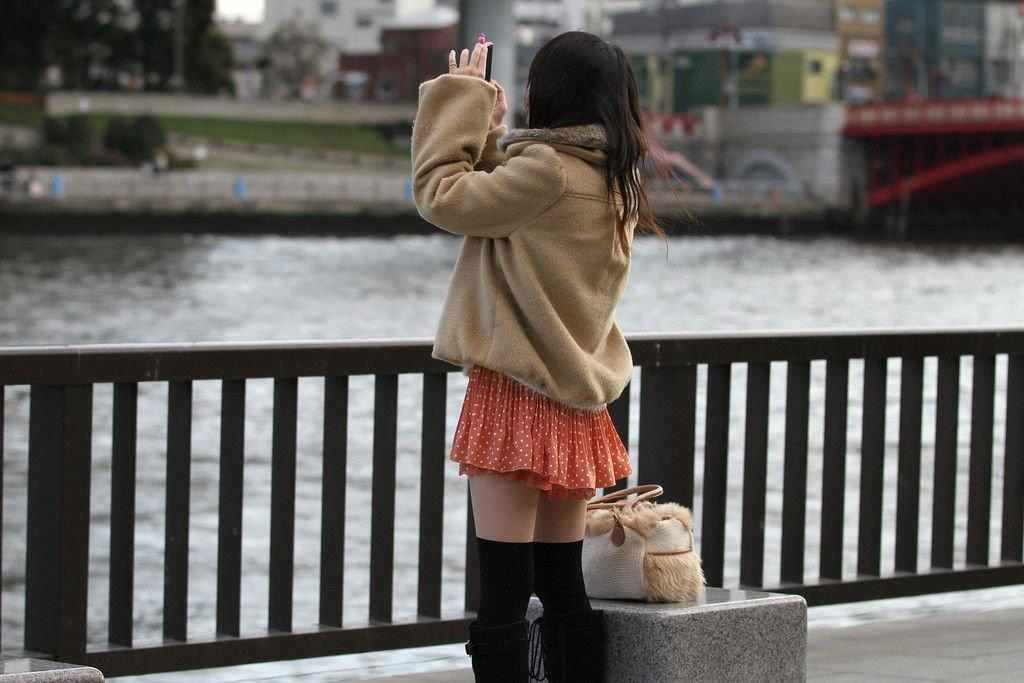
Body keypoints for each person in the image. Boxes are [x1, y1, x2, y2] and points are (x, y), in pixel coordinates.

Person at [411, 31, 663, 682]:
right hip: (575, 402)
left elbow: (441, 194)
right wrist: (488, 130)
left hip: (516, 396)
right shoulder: (612, 177)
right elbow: (510, 197)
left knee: (502, 592)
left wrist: (458, 100)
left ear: (548, 93)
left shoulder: (546, 173)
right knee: (560, 584)